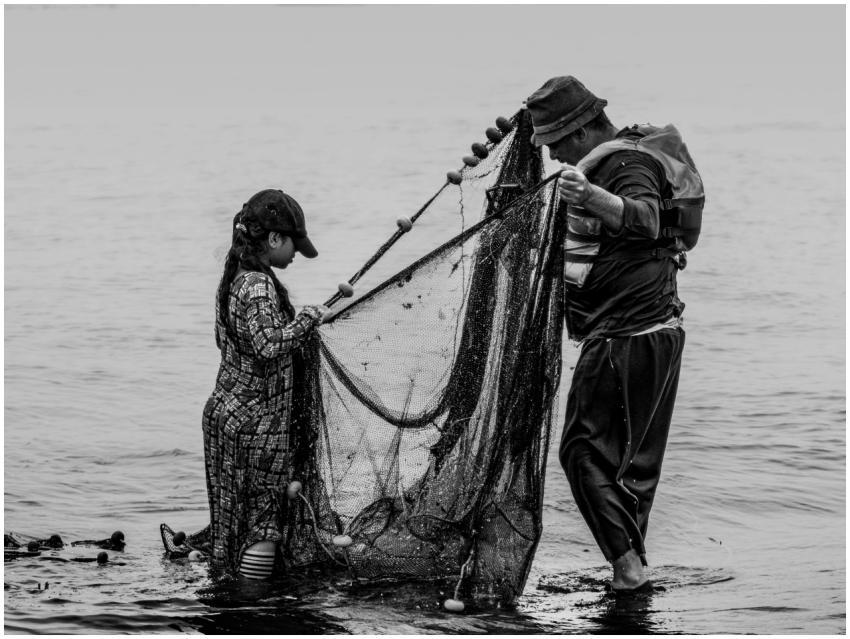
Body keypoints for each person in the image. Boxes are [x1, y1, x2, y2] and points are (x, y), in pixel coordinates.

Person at [525, 76, 703, 591]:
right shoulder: (628, 156)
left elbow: (646, 218)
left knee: (581, 451)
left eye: (555, 141)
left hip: (627, 335)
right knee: (630, 463)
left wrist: (591, 195)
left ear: (580, 130)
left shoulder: (625, 164)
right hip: (657, 332)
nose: (554, 153)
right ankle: (631, 571)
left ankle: (627, 568)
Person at [203, 188, 326, 580]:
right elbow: (267, 345)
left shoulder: (233, 277)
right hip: (257, 429)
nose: (294, 255)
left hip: (225, 417)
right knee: (263, 520)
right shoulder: (258, 285)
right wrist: (307, 320)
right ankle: (254, 610)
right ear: (274, 239)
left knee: (231, 519)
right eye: (292, 244)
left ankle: (229, 599)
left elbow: (229, 343)